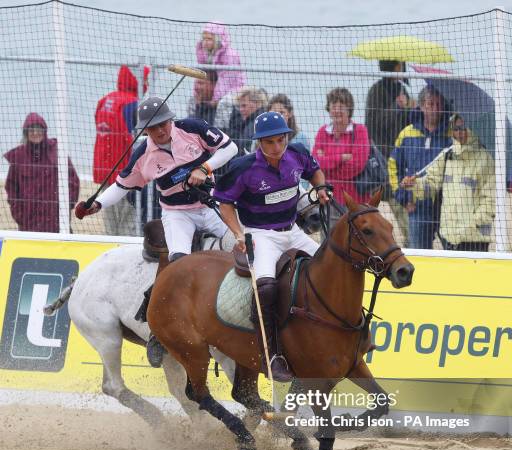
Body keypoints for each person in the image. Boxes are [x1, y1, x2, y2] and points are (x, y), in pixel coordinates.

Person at [75, 96, 238, 366]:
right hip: (177, 215)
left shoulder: (193, 128)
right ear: (145, 130)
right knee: (178, 265)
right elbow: (121, 186)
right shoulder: (143, 155)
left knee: (242, 245)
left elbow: (229, 148)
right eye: (153, 128)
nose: (160, 131)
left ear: (171, 120)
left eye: (163, 124)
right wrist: (97, 205)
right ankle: (162, 329)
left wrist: (204, 167)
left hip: (210, 205)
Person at [214, 111, 330, 382]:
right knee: (265, 288)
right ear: (259, 143)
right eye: (270, 143)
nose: (277, 147)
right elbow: (225, 203)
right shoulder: (243, 168)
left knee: (329, 268)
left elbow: (315, 172)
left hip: (293, 231)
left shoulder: (298, 153)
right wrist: (238, 233)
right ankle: (274, 354)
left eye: (281, 140)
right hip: (261, 236)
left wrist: (321, 188)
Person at [401, 114, 495, 252]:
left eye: (463, 128)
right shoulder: (446, 155)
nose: (460, 133)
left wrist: (473, 224)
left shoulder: (485, 159)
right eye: (456, 128)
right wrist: (414, 185)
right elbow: (431, 183)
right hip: (449, 236)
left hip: (475, 239)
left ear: (472, 128)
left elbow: (491, 200)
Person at [388, 85, 451, 249]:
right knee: (420, 255)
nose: (435, 109)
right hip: (417, 207)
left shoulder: (451, 135)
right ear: (422, 106)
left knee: (454, 254)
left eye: (439, 104)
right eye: (430, 104)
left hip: (447, 208)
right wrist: (404, 199)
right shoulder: (407, 134)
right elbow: (394, 166)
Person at [93, 64, 150, 236]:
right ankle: (124, 246)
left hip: (103, 167)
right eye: (145, 79)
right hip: (124, 169)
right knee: (128, 215)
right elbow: (139, 135)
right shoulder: (132, 104)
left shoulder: (104, 101)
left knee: (109, 213)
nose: (146, 83)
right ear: (136, 81)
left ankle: (109, 245)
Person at [365, 60, 415, 245]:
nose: (403, 69)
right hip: (382, 165)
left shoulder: (401, 89)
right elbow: (373, 124)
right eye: (401, 65)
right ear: (396, 67)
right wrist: (397, 107)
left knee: (405, 218)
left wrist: (411, 108)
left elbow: (408, 125)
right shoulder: (377, 91)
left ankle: (410, 245)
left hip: (400, 161)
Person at [4, 112, 79, 233]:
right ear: (26, 133)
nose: (35, 133)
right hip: (28, 222)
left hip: (57, 221)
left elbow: (73, 181)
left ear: (44, 131)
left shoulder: (57, 151)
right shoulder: (18, 156)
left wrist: (66, 206)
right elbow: (11, 187)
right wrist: (18, 213)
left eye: (38, 129)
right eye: (31, 130)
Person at [312, 87, 370, 206]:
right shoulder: (323, 132)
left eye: (342, 107)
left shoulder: (360, 131)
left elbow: (356, 165)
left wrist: (327, 167)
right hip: (329, 200)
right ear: (329, 108)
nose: (337, 110)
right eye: (334, 106)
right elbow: (315, 163)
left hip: (356, 202)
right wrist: (342, 158)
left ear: (349, 110)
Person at [195, 22, 246, 107]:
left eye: (209, 39)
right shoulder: (204, 53)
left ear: (218, 39)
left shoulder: (230, 55)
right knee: (193, 101)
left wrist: (215, 100)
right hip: (214, 89)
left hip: (232, 91)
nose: (205, 42)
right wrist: (197, 94)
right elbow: (200, 75)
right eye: (204, 39)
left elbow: (226, 81)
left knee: (224, 103)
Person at [228, 87, 269, 156]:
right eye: (239, 106)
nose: (241, 109)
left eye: (244, 106)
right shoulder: (247, 122)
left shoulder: (255, 124)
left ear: (257, 103)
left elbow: (245, 149)